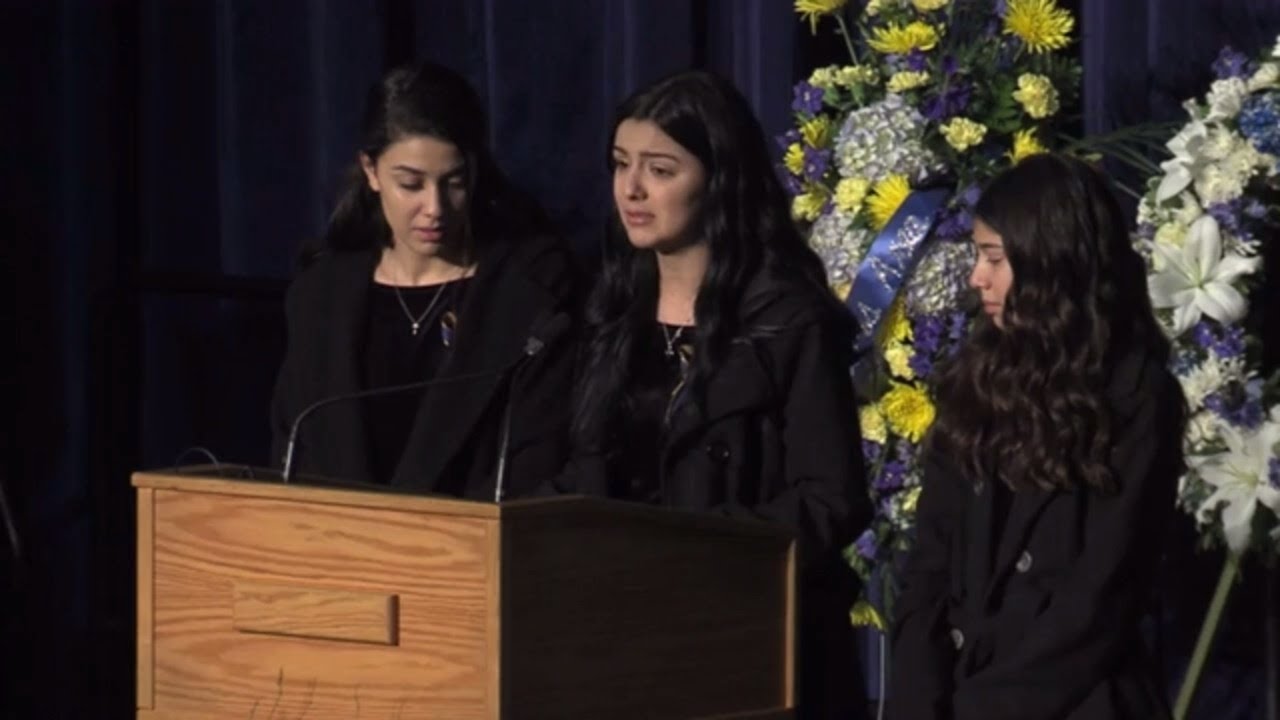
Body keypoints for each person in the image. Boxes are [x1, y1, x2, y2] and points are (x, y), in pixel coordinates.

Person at [551, 70, 873, 719]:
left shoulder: (787, 321)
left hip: (753, 641)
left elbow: (831, 499)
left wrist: (698, 549)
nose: (632, 189)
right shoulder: (608, 312)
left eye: (660, 170)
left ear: (718, 179)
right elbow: (581, 473)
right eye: (621, 164)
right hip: (626, 644)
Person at [887, 154, 1187, 720]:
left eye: (995, 258)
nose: (977, 278)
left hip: (1072, 700)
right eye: (978, 256)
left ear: (1049, 261)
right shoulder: (972, 382)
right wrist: (917, 699)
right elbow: (929, 565)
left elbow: (1100, 598)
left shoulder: (1136, 398)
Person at [270, 61, 578, 499]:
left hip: (475, 537)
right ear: (371, 171)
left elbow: (539, 456)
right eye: (411, 184)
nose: (435, 208)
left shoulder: (529, 291)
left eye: (453, 183)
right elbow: (292, 451)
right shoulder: (319, 295)